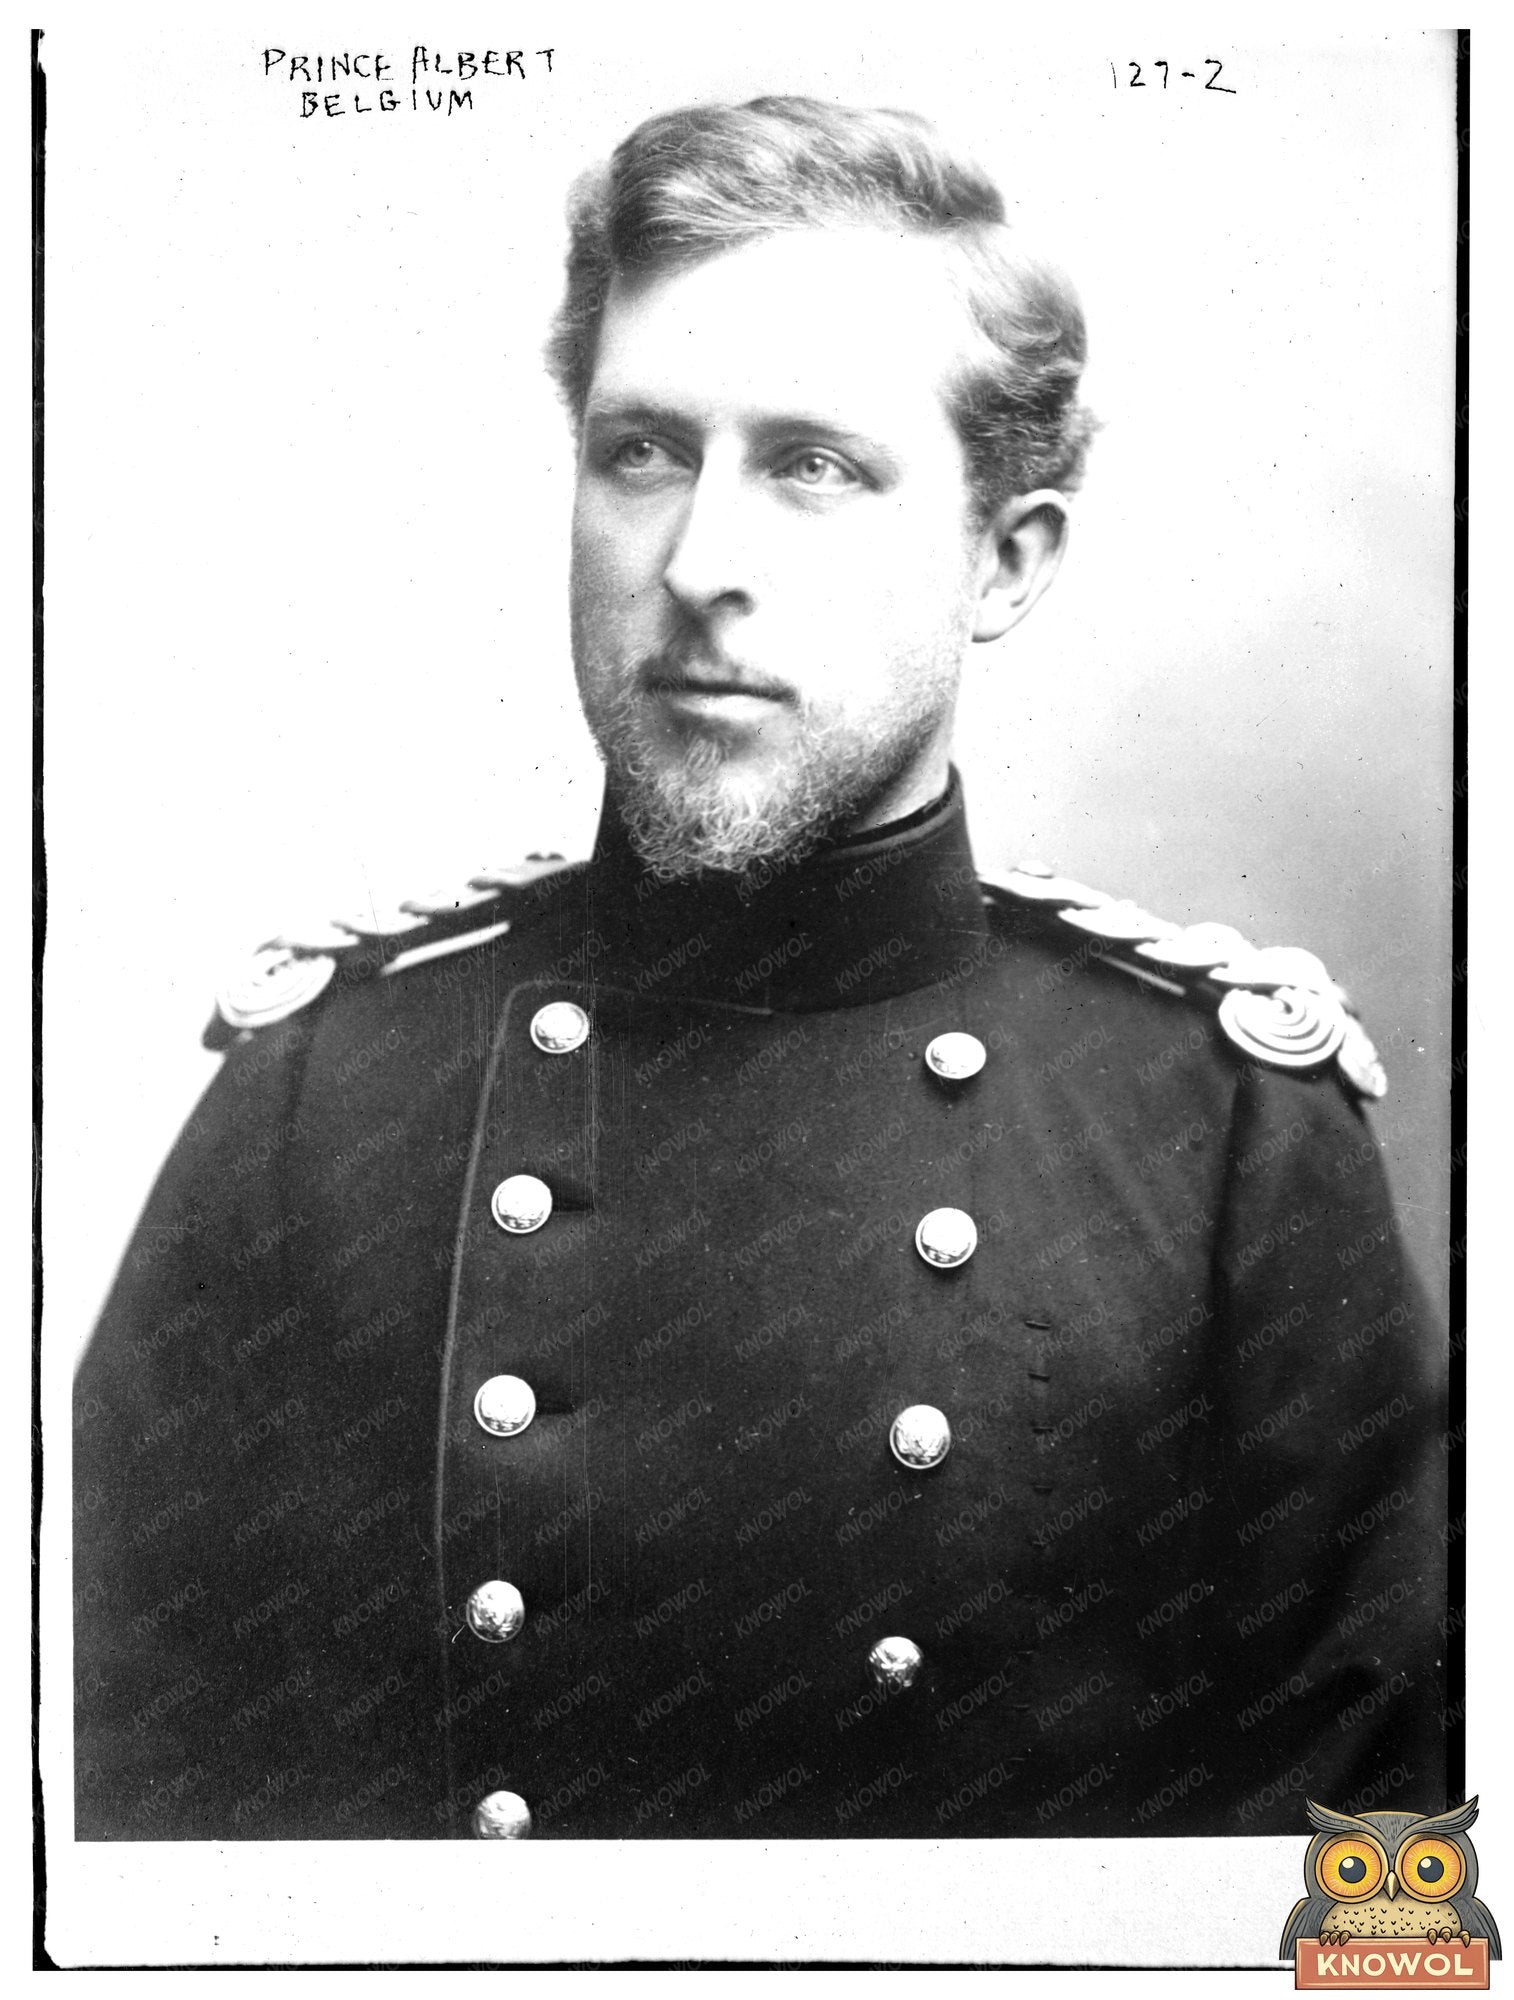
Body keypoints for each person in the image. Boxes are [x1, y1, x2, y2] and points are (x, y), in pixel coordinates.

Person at [73, 95, 1447, 1842]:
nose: (700, 563)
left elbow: (1379, 1901)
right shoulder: (314, 1104)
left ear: (1004, 560)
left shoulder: (1227, 1135)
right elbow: (135, 1839)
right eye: (642, 450)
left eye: (815, 465)